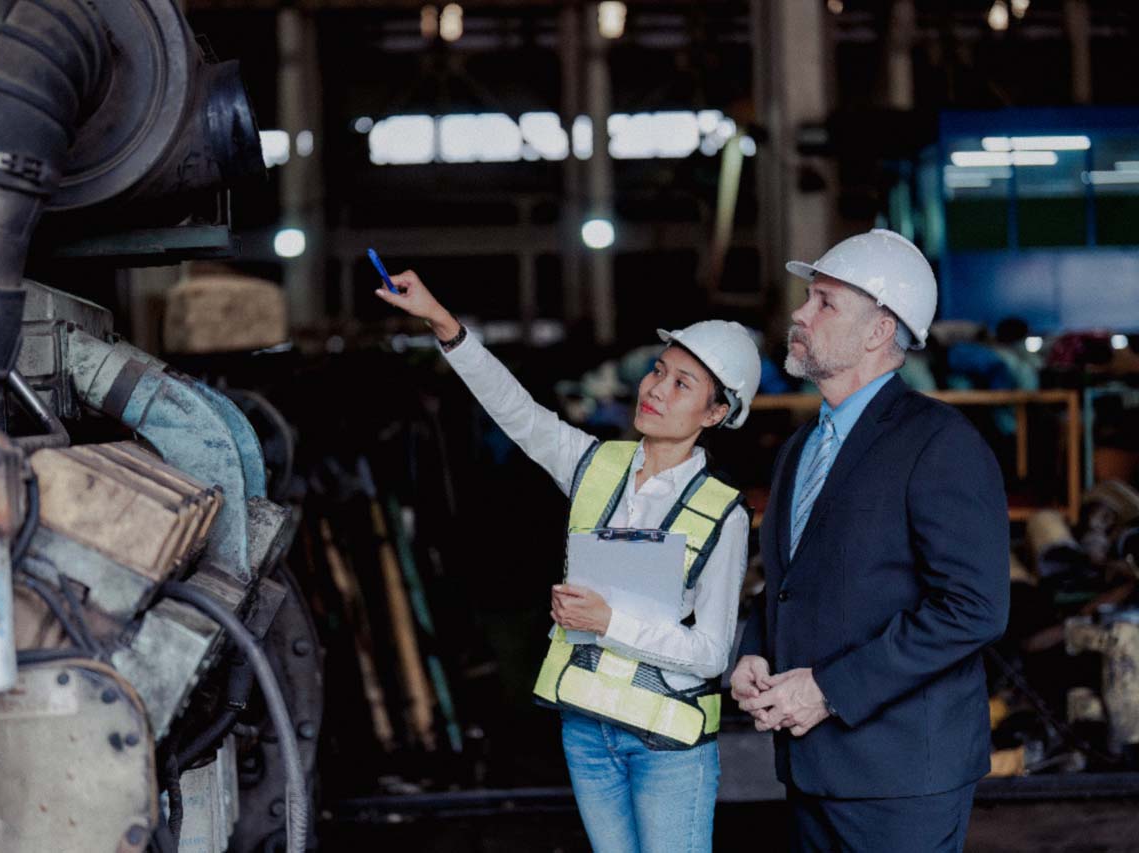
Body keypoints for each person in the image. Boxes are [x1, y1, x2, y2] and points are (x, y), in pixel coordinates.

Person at [376, 270, 761, 853]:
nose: (655, 389)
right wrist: (442, 323)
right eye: (658, 370)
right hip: (586, 728)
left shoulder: (721, 513)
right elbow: (517, 412)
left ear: (715, 414)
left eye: (682, 384)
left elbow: (711, 654)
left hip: (667, 744)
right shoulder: (593, 464)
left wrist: (608, 623)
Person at [730, 229, 1010, 852]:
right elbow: (792, 581)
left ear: (879, 330)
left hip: (901, 775)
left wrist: (828, 690)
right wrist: (753, 650)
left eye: (825, 302)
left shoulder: (940, 443)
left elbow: (974, 609)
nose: (800, 314)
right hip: (813, 768)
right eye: (809, 297)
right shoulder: (802, 447)